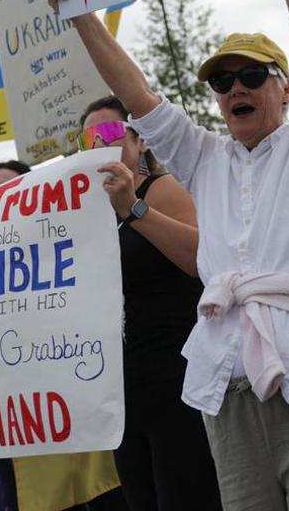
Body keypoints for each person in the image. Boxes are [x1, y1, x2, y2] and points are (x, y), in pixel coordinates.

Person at [45, 0, 289, 511]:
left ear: (285, 88)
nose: (235, 90)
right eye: (222, 83)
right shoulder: (206, 159)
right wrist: (79, 16)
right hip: (228, 375)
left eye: (252, 75)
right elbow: (136, 94)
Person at [77, 95, 222, 510]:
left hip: (175, 377)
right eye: (88, 140)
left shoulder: (163, 189)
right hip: (123, 388)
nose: (99, 146)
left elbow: (201, 259)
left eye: (108, 134)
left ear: (139, 143)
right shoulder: (91, 215)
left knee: (187, 496)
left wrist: (134, 208)